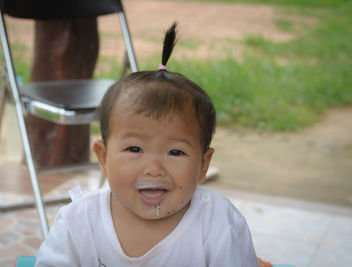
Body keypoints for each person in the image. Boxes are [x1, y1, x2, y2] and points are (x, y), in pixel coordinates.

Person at [35, 22, 260, 267]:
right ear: (103, 157)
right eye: (134, 149)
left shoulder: (219, 223)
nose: (153, 168)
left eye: (175, 152)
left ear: (203, 165)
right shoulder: (79, 221)